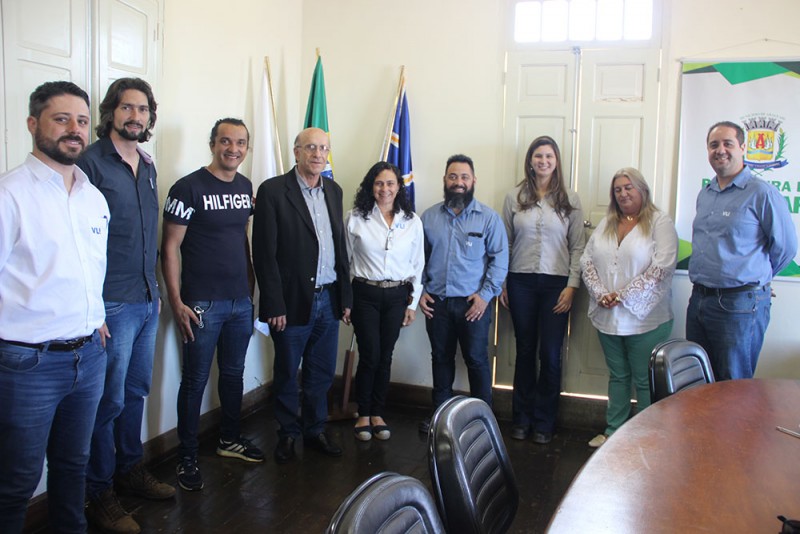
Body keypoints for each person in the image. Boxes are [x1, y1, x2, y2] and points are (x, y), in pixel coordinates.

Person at [0, 81, 109, 533]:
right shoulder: (10, 195)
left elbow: (89, 270)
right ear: (33, 125)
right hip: (28, 364)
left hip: (90, 356)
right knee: (16, 483)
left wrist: (97, 319)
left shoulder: (92, 197)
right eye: (61, 119)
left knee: (72, 468)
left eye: (81, 121)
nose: (74, 130)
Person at [78, 77, 173, 534]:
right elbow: (76, 242)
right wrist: (92, 309)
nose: (135, 116)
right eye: (127, 108)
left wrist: (155, 294)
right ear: (111, 111)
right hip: (109, 305)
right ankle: (98, 491)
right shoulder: (89, 164)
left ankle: (128, 470)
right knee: (107, 401)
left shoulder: (148, 164)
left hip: (146, 297)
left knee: (135, 392)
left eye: (143, 109)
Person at [162, 118, 264, 492]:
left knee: (234, 374)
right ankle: (186, 456)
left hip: (239, 301)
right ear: (212, 143)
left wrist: (251, 288)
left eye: (240, 143)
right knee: (194, 382)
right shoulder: (188, 187)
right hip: (201, 303)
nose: (232, 148)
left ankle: (229, 439)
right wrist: (176, 300)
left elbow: (242, 240)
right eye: (225, 141)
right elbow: (169, 247)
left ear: (246, 148)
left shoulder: (245, 187)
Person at [252, 127, 352, 464]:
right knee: (286, 373)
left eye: (324, 148)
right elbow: (264, 254)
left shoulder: (334, 191)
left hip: (328, 299)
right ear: (296, 152)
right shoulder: (273, 191)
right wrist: (273, 303)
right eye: (310, 147)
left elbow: (340, 249)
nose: (318, 154)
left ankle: (314, 429)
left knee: (321, 373)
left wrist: (345, 298)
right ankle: (287, 434)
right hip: (292, 301)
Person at [687, 121, 797, 380]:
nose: (720, 150)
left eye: (728, 143)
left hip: (738, 306)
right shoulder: (706, 193)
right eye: (714, 145)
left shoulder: (762, 193)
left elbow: (786, 247)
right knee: (700, 381)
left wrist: (760, 278)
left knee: (733, 385)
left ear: (743, 147)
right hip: (700, 301)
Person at [580, 168, 678, 448]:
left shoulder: (660, 222)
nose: (622, 193)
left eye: (628, 187)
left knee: (645, 380)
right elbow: (587, 260)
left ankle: (646, 438)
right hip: (607, 316)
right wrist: (601, 294)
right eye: (618, 189)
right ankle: (614, 433)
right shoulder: (608, 222)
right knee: (618, 375)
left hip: (645, 318)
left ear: (642, 190)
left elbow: (663, 266)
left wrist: (622, 295)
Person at [499, 136, 585, 445]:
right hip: (520, 281)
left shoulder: (570, 200)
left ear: (556, 161)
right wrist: (503, 283)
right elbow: (505, 244)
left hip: (555, 285)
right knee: (524, 351)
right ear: (530, 160)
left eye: (549, 156)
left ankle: (544, 421)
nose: (543, 161)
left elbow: (578, 247)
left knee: (549, 354)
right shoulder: (514, 197)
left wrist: (572, 286)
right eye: (538, 155)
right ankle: (521, 418)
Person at [418, 154, 508, 433]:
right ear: (445, 180)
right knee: (440, 358)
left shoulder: (489, 219)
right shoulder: (429, 217)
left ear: (473, 181)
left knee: (477, 359)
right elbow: (417, 258)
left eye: (464, 177)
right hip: (438, 303)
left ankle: (482, 422)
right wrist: (419, 291)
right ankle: (440, 419)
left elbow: (500, 259)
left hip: (474, 305)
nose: (458, 182)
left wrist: (485, 296)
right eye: (453, 177)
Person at [345, 162, 425, 441]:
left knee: (386, 355)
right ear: (371, 186)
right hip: (364, 294)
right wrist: (345, 300)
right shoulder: (355, 218)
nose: (385, 189)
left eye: (390, 183)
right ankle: (363, 413)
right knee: (370, 354)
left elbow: (418, 264)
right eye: (379, 183)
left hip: (397, 296)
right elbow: (345, 262)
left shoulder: (412, 221)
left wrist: (412, 305)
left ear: (399, 187)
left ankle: (378, 412)